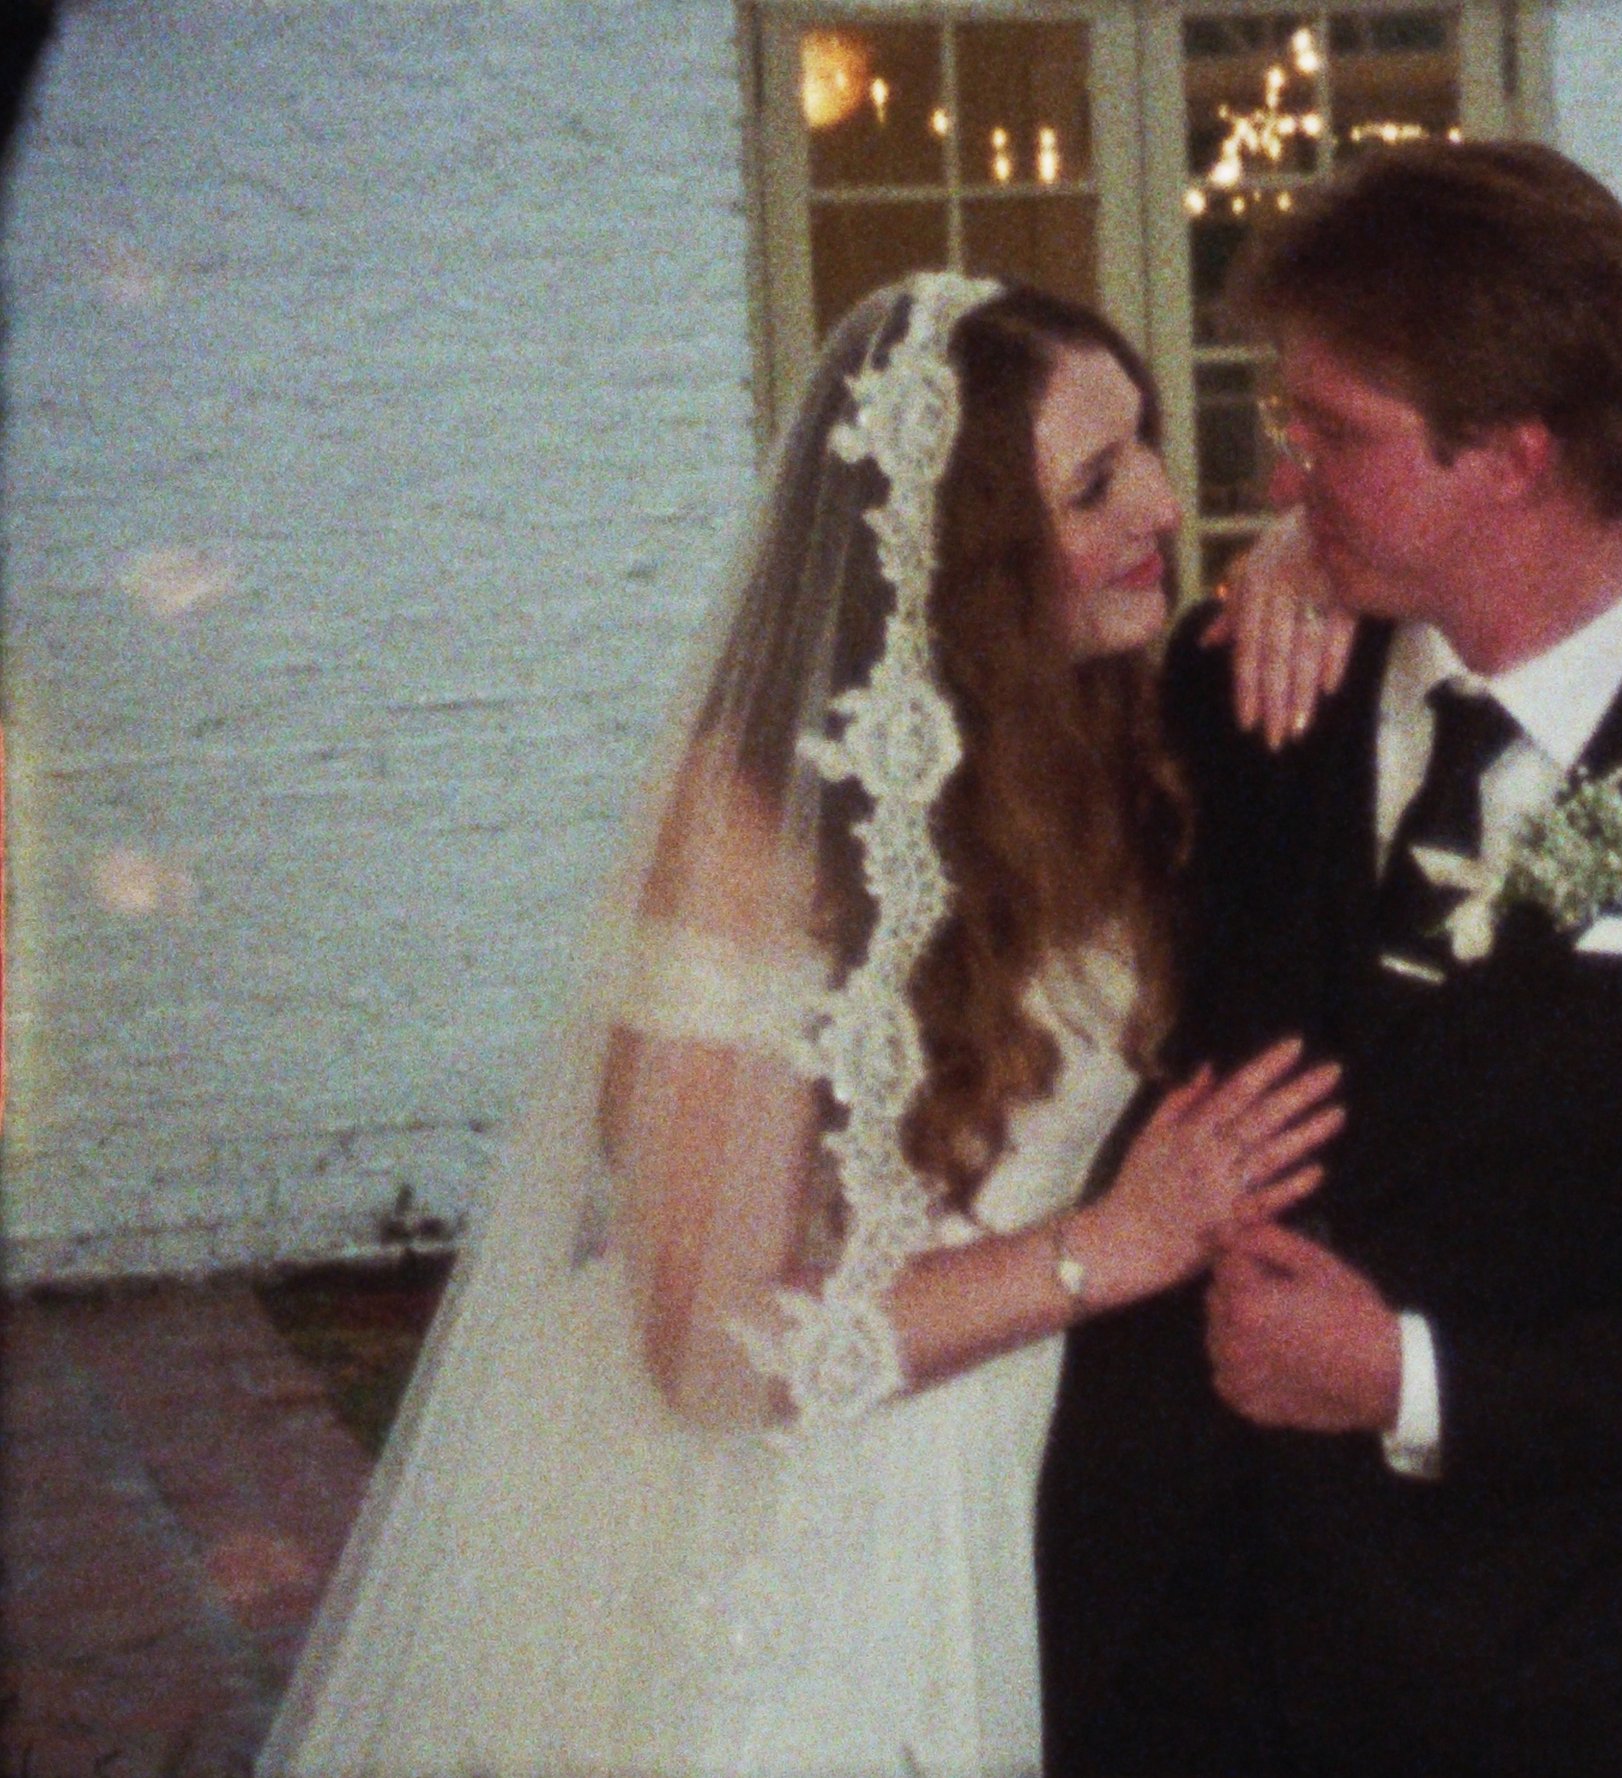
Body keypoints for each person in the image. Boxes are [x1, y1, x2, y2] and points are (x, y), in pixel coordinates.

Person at [256, 273, 1343, 1777]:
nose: (1165, 496)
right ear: (964, 560)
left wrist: (1303, 555)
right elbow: (702, 1335)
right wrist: (1111, 1246)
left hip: (1055, 1477)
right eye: (1097, 481)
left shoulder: (1116, 731)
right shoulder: (752, 824)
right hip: (820, 1503)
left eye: (1147, 439)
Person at [1037, 142, 1622, 1778]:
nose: (1279, 476)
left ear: (1515, 457)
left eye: (1334, 439)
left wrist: (1415, 1378)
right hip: (1155, 1661)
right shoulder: (1250, 680)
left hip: (1515, 1691)